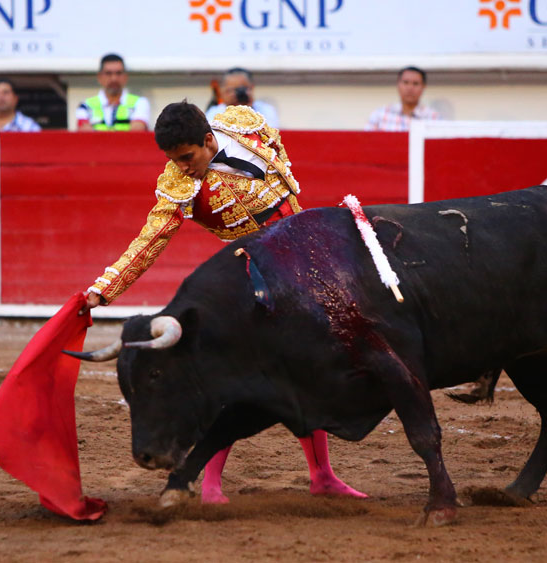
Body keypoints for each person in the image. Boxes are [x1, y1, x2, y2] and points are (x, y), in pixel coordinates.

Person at [82, 101, 366, 504]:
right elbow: (151, 240)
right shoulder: (179, 185)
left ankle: (321, 475)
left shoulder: (245, 122)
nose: (182, 167)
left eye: (187, 157)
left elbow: (283, 172)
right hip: (252, 279)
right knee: (237, 380)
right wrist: (104, 288)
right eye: (173, 160)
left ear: (209, 139)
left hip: (303, 265)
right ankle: (211, 482)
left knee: (305, 370)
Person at [76, 54, 150, 131]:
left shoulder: (140, 103)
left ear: (125, 77)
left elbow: (136, 132)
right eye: (108, 73)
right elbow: (85, 135)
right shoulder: (85, 106)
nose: (114, 78)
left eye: (118, 73)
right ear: (99, 77)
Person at [365, 66, 441, 132]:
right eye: (405, 82)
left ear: (423, 87)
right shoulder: (379, 115)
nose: (410, 88)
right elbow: (366, 143)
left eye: (415, 83)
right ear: (398, 84)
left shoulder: (433, 118)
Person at [205, 68, 279, 128]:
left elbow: (270, 136)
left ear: (251, 88)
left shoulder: (266, 110)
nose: (238, 94)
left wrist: (249, 110)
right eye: (231, 90)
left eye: (242, 89)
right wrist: (231, 110)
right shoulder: (214, 113)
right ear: (223, 91)